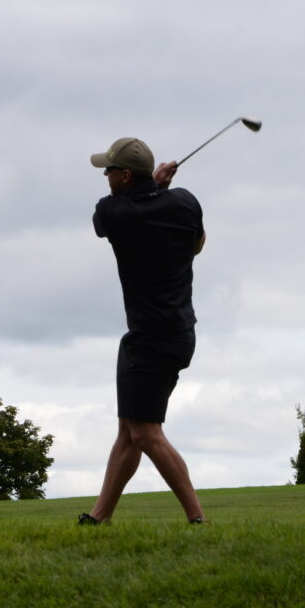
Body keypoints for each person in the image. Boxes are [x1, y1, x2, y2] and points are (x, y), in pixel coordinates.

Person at [79, 137, 206, 525]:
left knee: (146, 433)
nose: (105, 176)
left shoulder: (115, 214)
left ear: (125, 175)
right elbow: (197, 245)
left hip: (152, 338)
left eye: (109, 171)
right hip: (177, 333)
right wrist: (160, 191)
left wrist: (154, 190)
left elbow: (110, 219)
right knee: (128, 429)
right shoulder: (185, 203)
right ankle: (100, 518)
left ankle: (197, 520)